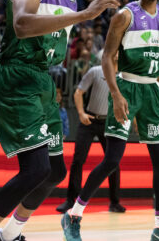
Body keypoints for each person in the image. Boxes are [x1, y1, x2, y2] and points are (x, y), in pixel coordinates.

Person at [0, 0, 119, 241]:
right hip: (18, 76)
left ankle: (11, 233)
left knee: (55, 171)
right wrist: (84, 15)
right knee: (36, 170)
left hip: (43, 80)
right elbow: (23, 24)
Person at [61, 0, 159, 241]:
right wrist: (116, 95)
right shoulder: (125, 15)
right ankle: (74, 214)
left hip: (152, 93)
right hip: (127, 87)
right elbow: (106, 58)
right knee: (112, 159)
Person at [56, 61, 124, 214]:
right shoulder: (95, 71)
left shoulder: (123, 76)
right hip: (89, 119)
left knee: (113, 162)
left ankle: (115, 202)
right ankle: (70, 201)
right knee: (78, 160)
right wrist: (80, 113)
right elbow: (78, 92)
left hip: (109, 122)